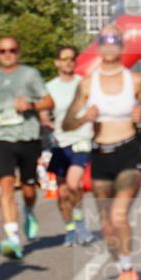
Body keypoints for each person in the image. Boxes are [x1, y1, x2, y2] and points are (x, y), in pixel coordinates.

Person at [63, 25, 141, 280]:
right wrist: (84, 117)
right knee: (106, 227)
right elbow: (67, 122)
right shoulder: (87, 83)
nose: (109, 45)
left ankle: (128, 273)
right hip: (100, 154)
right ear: (99, 46)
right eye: (103, 40)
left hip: (128, 151)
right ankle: (123, 269)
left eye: (114, 40)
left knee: (118, 217)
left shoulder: (136, 81)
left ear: (121, 46)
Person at [0, 37, 54, 259]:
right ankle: (12, 237)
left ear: (18, 52)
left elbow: (49, 101)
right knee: (6, 185)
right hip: (2, 138)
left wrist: (30, 105)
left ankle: (29, 210)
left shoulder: (30, 74)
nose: (7, 54)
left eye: (12, 50)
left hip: (28, 137)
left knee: (29, 189)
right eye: (2, 51)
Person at [42, 45, 95, 246]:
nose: (68, 62)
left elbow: (95, 107)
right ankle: (70, 229)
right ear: (57, 62)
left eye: (72, 58)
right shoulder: (49, 87)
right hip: (59, 142)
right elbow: (44, 111)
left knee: (74, 184)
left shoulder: (84, 84)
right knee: (63, 192)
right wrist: (45, 120)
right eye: (64, 58)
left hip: (81, 139)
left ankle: (81, 223)